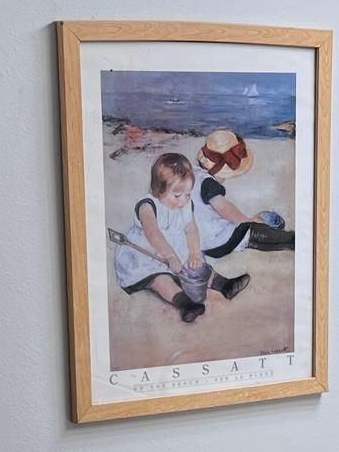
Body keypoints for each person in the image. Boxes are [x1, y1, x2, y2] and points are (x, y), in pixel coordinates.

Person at [188, 130, 296, 304]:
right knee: (250, 231)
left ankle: (277, 235)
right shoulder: (208, 183)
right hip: (217, 238)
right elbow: (224, 208)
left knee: (246, 239)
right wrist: (247, 220)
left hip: (201, 244)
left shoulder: (190, 175)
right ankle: (290, 238)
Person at [114, 153, 221, 323]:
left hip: (175, 250)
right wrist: (169, 256)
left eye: (187, 194)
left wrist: (194, 253)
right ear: (159, 190)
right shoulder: (147, 206)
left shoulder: (186, 204)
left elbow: (191, 229)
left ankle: (222, 284)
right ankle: (184, 303)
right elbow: (152, 233)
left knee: (196, 267)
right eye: (177, 195)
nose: (183, 201)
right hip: (149, 254)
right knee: (160, 280)